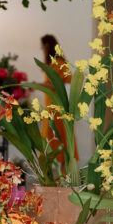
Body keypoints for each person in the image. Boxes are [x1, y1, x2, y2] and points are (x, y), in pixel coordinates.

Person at [40, 34, 75, 166]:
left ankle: (64, 172)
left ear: (47, 46)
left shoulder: (59, 63)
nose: (42, 49)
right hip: (49, 106)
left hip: (57, 106)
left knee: (60, 139)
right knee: (48, 139)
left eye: (42, 47)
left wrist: (39, 84)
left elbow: (57, 84)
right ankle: (49, 171)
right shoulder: (53, 63)